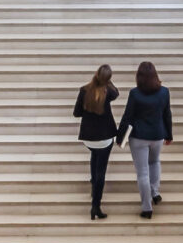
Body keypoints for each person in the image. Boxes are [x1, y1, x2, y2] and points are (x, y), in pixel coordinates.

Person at [120, 60, 172, 218]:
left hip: (138, 137)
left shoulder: (135, 93)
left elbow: (127, 116)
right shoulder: (164, 92)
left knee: (142, 172)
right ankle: (155, 192)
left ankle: (147, 208)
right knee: (155, 162)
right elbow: (167, 114)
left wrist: (120, 136)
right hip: (157, 135)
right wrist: (169, 134)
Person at [74, 62, 119, 219]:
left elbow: (76, 113)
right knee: (101, 171)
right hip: (105, 138)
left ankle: (93, 185)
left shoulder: (84, 90)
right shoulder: (109, 92)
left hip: (89, 137)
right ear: (108, 79)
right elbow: (117, 93)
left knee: (94, 155)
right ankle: (95, 206)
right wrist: (107, 82)